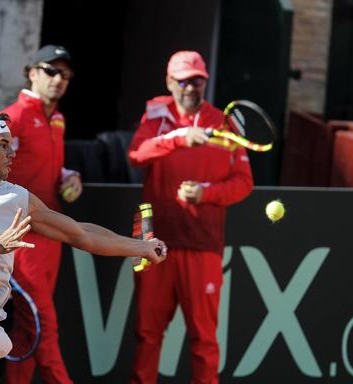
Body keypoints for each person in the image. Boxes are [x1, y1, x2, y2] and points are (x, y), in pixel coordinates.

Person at [0, 113, 167, 384]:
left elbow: (80, 233)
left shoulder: (16, 197)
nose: (13, 152)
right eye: (3, 145)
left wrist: (141, 247)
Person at [128, 51, 253, 383]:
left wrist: (207, 193)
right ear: (170, 82)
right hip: (152, 240)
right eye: (183, 81)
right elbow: (137, 154)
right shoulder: (154, 116)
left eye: (196, 81)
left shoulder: (224, 124)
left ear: (204, 83)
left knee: (204, 340)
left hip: (203, 244)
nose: (190, 88)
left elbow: (244, 182)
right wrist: (179, 139)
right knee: (146, 333)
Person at [0, 44, 81, 383]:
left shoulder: (57, 119)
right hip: (21, 237)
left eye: (65, 74)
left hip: (50, 234)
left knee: (28, 328)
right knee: (42, 323)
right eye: (51, 71)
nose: (58, 80)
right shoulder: (12, 118)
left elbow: (49, 167)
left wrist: (67, 177)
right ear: (32, 73)